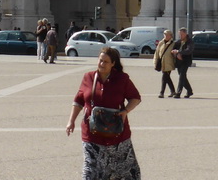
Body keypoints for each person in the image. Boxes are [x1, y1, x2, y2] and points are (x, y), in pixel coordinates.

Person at [65, 47, 142, 180]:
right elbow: (78, 100)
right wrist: (71, 121)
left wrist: (125, 111)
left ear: (113, 63)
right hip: (92, 134)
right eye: (100, 60)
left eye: (106, 61)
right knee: (91, 173)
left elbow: (135, 98)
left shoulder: (122, 79)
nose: (102, 64)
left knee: (125, 174)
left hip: (117, 136)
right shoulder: (88, 77)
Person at [154, 29, 177, 97]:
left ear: (170, 36)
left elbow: (175, 53)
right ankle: (173, 91)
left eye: (167, 35)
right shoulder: (161, 43)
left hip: (169, 63)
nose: (166, 36)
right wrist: (155, 61)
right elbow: (157, 52)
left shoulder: (173, 43)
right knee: (167, 78)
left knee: (165, 77)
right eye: (165, 34)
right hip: (162, 62)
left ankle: (162, 93)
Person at [173, 27, 194, 98]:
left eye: (182, 34)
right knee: (183, 77)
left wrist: (179, 52)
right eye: (179, 34)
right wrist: (175, 53)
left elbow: (189, 50)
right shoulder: (179, 41)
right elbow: (173, 48)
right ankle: (189, 91)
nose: (180, 36)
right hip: (179, 62)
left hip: (186, 61)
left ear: (185, 34)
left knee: (182, 76)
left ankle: (178, 93)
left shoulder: (189, 41)